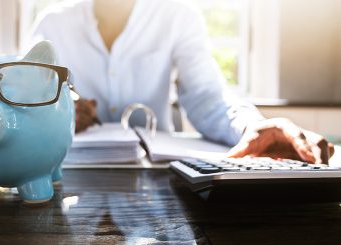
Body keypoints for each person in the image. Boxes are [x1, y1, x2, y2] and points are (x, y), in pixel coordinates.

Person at [27, 0, 334, 163]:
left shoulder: (179, 16)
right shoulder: (51, 24)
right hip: (68, 173)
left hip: (156, 180)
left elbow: (206, 97)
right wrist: (56, 106)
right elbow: (24, 97)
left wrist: (250, 125)